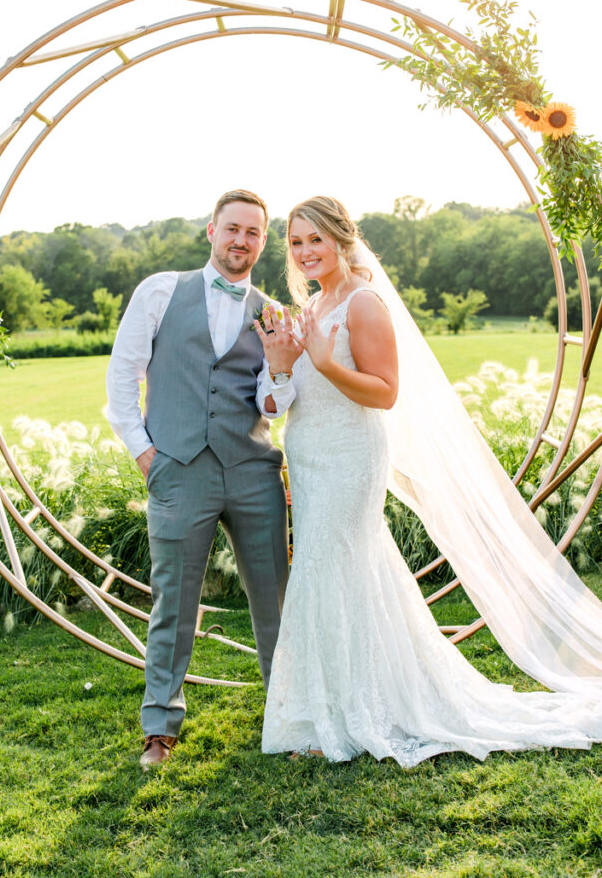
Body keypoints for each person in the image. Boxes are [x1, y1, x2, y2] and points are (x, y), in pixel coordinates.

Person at [258, 196, 602, 766]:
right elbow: (294, 391)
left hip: (350, 457)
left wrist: (323, 361)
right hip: (312, 456)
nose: (305, 251)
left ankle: (348, 717)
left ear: (342, 239)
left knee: (335, 565)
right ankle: (336, 709)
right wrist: (283, 361)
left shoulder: (364, 304)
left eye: (315, 239)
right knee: (334, 569)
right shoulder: (314, 306)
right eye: (296, 242)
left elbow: (384, 392)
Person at [106, 189, 301, 769]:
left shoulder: (272, 312)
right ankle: (159, 728)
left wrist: (283, 367)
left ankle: (288, 713)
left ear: (263, 243)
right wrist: (147, 456)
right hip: (177, 470)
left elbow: (271, 406)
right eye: (232, 228)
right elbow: (123, 377)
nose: (242, 240)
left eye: (254, 233)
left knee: (274, 598)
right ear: (211, 232)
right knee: (174, 600)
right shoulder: (160, 292)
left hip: (252, 471)